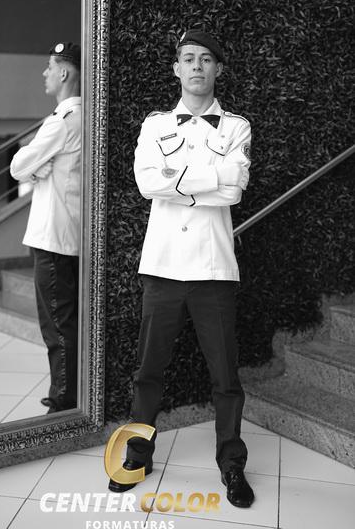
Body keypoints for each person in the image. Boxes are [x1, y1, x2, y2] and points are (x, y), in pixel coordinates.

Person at [108, 29, 254, 508]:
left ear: (217, 69)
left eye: (205, 59)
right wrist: (211, 180)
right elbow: (147, 183)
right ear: (176, 69)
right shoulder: (154, 125)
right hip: (163, 265)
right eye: (188, 58)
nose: (196, 66)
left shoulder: (236, 127)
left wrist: (179, 182)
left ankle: (232, 464)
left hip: (214, 270)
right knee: (148, 370)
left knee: (225, 375)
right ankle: (138, 455)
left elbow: (235, 190)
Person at [10, 41, 81, 414]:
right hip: (65, 235)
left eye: (49, 67)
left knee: (56, 324)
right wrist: (40, 168)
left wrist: (35, 169)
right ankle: (69, 393)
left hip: (53, 238)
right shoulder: (82, 117)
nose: (45, 73)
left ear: (64, 72)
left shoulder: (61, 121)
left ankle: (64, 401)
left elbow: (17, 167)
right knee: (66, 320)